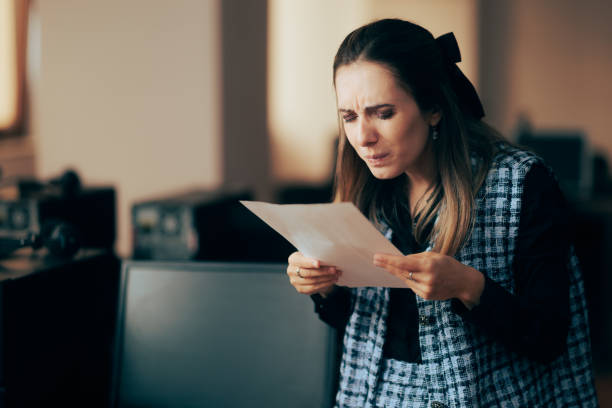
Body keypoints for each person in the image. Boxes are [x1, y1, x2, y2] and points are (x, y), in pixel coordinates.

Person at [286, 19, 598, 407]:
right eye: (349, 117)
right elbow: (364, 325)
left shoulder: (521, 183)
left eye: (382, 113)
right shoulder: (365, 189)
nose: (363, 137)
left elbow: (549, 339)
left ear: (433, 108)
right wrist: (326, 287)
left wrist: (470, 287)